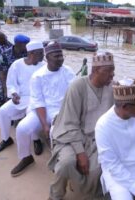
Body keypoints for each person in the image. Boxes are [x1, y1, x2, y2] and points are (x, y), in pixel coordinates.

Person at [48, 52, 115, 200]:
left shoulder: (112, 87)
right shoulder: (77, 86)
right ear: (96, 70)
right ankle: (55, 196)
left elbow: (125, 106)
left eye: (113, 69)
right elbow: (70, 123)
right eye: (108, 70)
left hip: (98, 139)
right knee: (66, 164)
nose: (112, 75)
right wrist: (80, 152)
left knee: (95, 170)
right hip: (70, 137)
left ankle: (89, 195)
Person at [10, 42, 75, 177]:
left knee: (53, 131)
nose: (60, 58)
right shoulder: (38, 76)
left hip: (61, 110)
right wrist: (44, 124)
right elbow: (38, 101)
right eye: (56, 56)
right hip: (41, 110)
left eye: (61, 55)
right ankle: (26, 157)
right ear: (48, 57)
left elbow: (75, 92)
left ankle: (56, 160)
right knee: (22, 128)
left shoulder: (68, 71)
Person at [0, 41, 45, 154]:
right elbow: (10, 83)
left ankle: (36, 140)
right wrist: (14, 94)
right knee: (3, 111)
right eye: (40, 53)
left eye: (43, 52)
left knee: (32, 114)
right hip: (20, 98)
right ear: (30, 53)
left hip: (36, 99)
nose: (43, 56)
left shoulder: (44, 66)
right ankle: (6, 139)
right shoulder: (17, 64)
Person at [0, 34, 30, 123]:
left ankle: (20, 116)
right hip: (7, 79)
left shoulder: (29, 53)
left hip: (24, 79)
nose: (28, 46)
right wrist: (6, 90)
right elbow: (3, 74)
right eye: (26, 44)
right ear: (18, 44)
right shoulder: (5, 54)